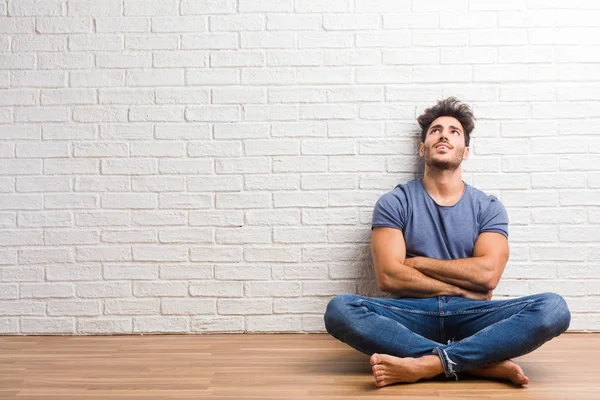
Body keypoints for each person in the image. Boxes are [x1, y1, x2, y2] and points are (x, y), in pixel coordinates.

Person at [323, 97, 571, 387]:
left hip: (472, 314)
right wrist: (457, 286)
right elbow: (389, 276)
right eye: (435, 130)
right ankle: (474, 364)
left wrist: (417, 263)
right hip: (412, 312)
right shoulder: (396, 201)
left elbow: (488, 274)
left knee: (554, 308)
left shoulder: (488, 207)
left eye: (454, 131)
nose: (443, 134)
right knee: (339, 309)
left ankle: (428, 363)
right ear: (422, 147)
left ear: (465, 152)